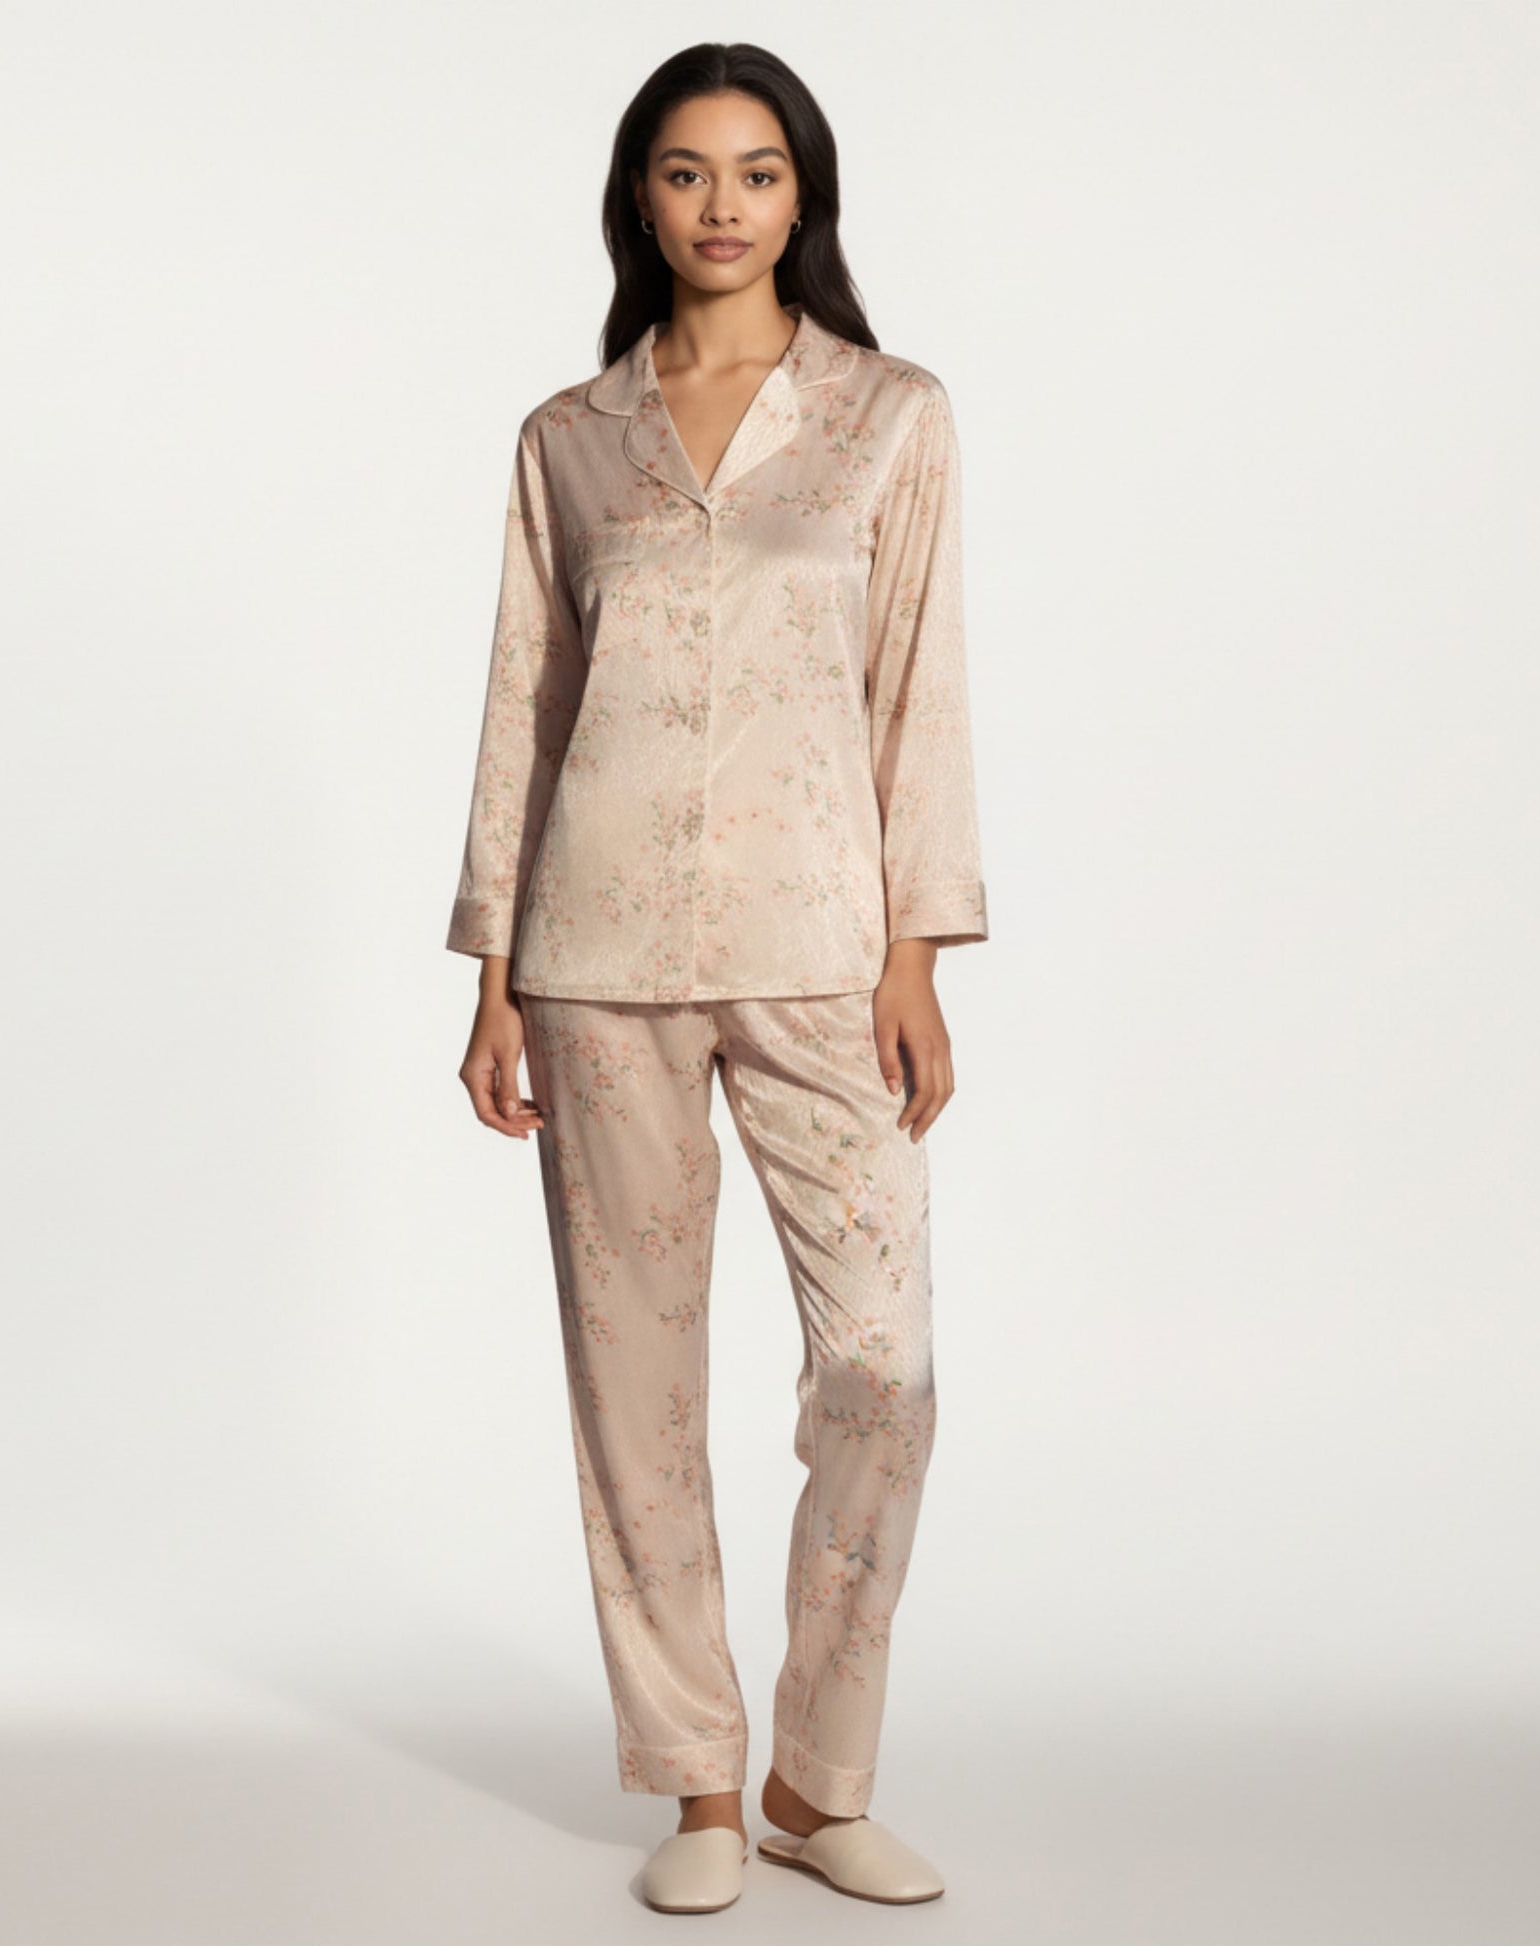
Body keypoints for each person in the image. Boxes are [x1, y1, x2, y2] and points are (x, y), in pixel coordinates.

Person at [447, 41, 988, 1915]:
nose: (722, 205)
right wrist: (494, 970)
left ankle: (816, 1781)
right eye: (686, 172)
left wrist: (918, 949)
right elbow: (526, 705)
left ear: (802, 194)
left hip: (822, 948)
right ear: (639, 196)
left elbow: (919, 690)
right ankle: (692, 1781)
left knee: (882, 1364)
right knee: (634, 1386)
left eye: (757, 171)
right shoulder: (568, 438)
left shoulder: (886, 417)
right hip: (593, 957)